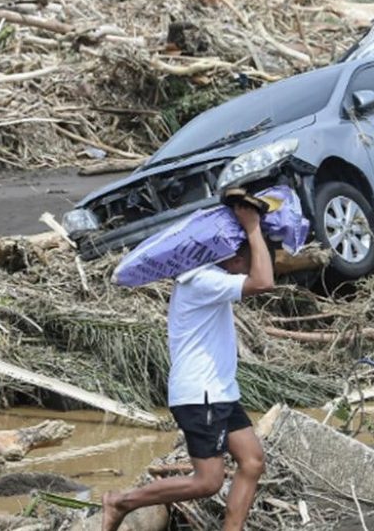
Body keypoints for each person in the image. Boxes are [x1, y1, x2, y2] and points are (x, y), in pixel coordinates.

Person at [102, 204, 275, 531]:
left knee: (252, 461)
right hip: (201, 395)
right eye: (250, 261)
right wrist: (252, 226)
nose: (250, 270)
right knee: (208, 481)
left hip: (219, 391)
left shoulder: (213, 276)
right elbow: (263, 282)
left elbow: (259, 275)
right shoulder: (202, 280)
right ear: (236, 259)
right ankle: (120, 501)